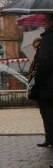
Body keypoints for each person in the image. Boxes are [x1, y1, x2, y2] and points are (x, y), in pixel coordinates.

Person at [35, 14, 53, 148]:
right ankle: (49, 138)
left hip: (48, 85)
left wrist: (38, 80)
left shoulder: (48, 37)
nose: (43, 23)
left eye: (46, 20)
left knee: (47, 113)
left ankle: (50, 138)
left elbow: (45, 62)